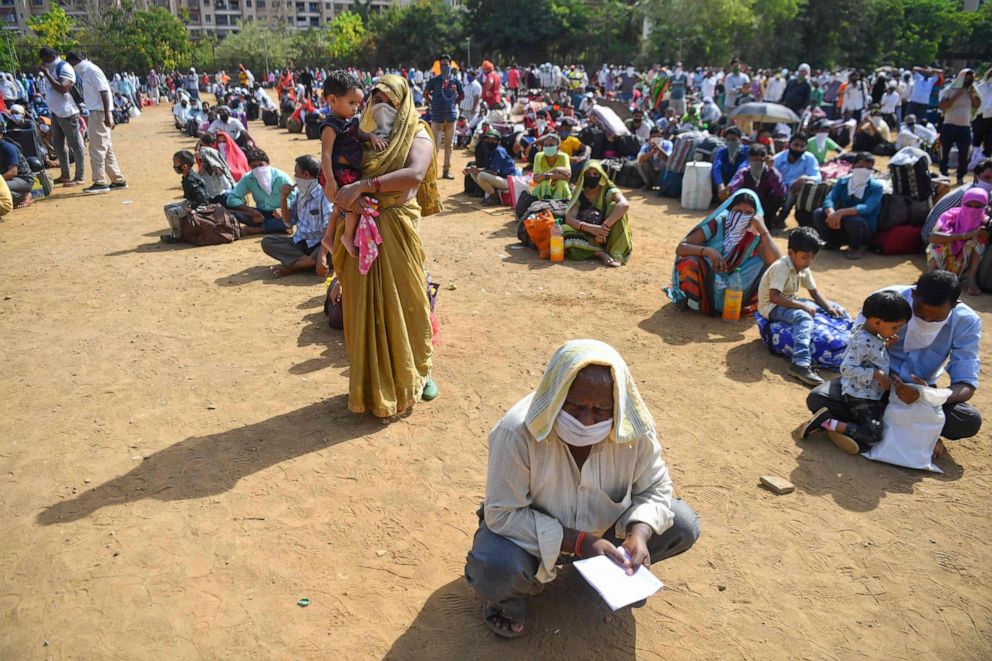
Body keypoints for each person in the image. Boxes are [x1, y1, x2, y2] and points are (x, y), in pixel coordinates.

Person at [464, 339, 700, 638]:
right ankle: (506, 602)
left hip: (605, 532)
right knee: (495, 566)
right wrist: (580, 543)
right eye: (575, 407)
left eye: (601, 409)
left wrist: (638, 534)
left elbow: (656, 487)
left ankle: (613, 569)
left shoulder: (633, 427)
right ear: (556, 396)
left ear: (617, 403)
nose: (587, 421)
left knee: (683, 524)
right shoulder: (517, 433)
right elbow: (503, 514)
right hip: (531, 541)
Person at [323, 75, 440, 417]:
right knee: (364, 311)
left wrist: (365, 185)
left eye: (389, 100)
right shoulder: (359, 136)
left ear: (403, 103)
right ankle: (370, 390)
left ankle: (419, 373)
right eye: (376, 100)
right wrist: (349, 200)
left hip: (398, 229)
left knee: (410, 302)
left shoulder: (418, 132)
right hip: (361, 232)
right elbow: (336, 181)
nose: (381, 106)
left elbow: (415, 174)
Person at [805, 270, 983, 452]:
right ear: (914, 295)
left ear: (955, 305)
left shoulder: (966, 321)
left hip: (919, 396)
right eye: (920, 314)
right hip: (874, 386)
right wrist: (882, 375)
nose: (927, 321)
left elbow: (966, 384)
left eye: (937, 318)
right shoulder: (885, 301)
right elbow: (855, 349)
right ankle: (915, 436)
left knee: (967, 420)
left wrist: (926, 395)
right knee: (819, 398)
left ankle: (863, 429)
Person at [804, 291, 913, 453]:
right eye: (895, 327)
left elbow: (869, 356)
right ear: (877, 322)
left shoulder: (872, 335)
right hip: (860, 395)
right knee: (873, 434)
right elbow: (846, 368)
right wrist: (877, 374)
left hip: (867, 391)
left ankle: (839, 428)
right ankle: (827, 423)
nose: (896, 331)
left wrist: (885, 346)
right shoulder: (863, 340)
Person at [667, 189, 781, 315]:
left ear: (755, 216)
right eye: (737, 211)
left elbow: (776, 262)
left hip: (734, 279)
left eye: (748, 213)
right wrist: (708, 252)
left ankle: (733, 303)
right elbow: (682, 248)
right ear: (729, 210)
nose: (742, 217)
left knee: (763, 265)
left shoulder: (753, 235)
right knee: (690, 262)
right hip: (708, 275)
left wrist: (763, 228)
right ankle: (692, 299)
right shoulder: (718, 223)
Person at [757, 227, 843, 386]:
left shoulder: (803, 267)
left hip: (789, 300)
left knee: (834, 307)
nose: (808, 262)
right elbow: (774, 297)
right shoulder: (781, 267)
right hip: (771, 306)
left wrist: (829, 308)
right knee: (804, 317)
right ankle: (800, 364)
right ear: (791, 252)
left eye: (812, 258)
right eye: (804, 257)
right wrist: (802, 306)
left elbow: (815, 293)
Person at [319, 70, 388, 258]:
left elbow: (358, 134)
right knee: (352, 204)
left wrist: (371, 136)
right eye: (351, 103)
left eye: (358, 103)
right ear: (332, 100)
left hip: (347, 170)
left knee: (338, 207)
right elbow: (325, 155)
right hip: (339, 172)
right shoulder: (330, 126)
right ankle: (347, 236)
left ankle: (328, 237)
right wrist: (331, 180)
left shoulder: (349, 121)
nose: (355, 107)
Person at [262, 155, 332, 278]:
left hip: (320, 244)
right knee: (267, 242)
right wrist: (283, 198)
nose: (294, 177)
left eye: (296, 173)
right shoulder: (301, 192)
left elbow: (329, 226)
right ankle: (308, 262)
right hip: (301, 242)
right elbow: (289, 222)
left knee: (327, 252)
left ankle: (294, 266)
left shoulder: (324, 193)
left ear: (305, 175)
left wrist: (321, 255)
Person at [66, 53, 126, 194]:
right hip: (97, 112)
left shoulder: (91, 70)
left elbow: (104, 92)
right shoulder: (86, 71)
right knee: (106, 149)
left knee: (97, 149)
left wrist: (107, 115)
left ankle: (100, 182)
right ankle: (117, 179)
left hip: (99, 113)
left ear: (74, 61)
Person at [807, 152, 883, 260]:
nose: (864, 170)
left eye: (868, 168)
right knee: (819, 213)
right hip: (842, 224)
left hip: (863, 228)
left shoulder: (876, 187)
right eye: (860, 166)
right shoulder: (843, 182)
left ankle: (856, 247)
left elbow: (867, 208)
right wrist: (831, 213)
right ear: (853, 166)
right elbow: (830, 198)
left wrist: (841, 212)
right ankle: (833, 242)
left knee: (854, 220)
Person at [561, 161, 632, 267]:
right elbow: (569, 218)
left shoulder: (608, 190)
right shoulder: (580, 194)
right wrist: (589, 228)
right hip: (589, 236)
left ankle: (617, 254)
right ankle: (598, 252)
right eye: (588, 174)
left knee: (615, 207)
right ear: (583, 176)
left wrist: (604, 227)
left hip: (609, 233)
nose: (592, 177)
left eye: (595, 174)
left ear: (601, 176)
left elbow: (624, 204)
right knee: (562, 231)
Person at [926, 188, 989, 296]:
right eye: (969, 205)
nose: (973, 210)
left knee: (981, 238)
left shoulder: (985, 219)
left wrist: (982, 231)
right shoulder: (950, 215)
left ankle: (970, 279)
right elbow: (932, 237)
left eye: (978, 207)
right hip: (944, 260)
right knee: (938, 243)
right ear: (963, 204)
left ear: (984, 207)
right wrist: (966, 235)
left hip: (963, 264)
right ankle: (931, 276)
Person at [38, 46, 85, 187]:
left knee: (76, 145)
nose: (44, 63)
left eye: (45, 60)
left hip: (67, 112)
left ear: (52, 56)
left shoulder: (64, 68)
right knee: (58, 145)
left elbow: (63, 88)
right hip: (55, 112)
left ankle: (79, 176)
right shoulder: (51, 68)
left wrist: (47, 74)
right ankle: (65, 175)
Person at [225, 146, 293, 236]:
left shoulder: (281, 178)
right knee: (230, 211)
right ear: (250, 167)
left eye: (261, 165)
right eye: (254, 166)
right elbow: (232, 198)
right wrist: (251, 211)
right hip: (260, 215)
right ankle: (274, 227)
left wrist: (283, 209)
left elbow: (295, 199)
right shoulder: (249, 178)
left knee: (290, 218)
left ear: (268, 163)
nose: (258, 169)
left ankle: (258, 229)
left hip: (280, 214)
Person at [424, 54, 463, 181]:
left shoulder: (456, 81)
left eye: (446, 65)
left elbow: (462, 95)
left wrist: (453, 103)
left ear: (450, 66)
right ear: (439, 67)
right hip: (437, 118)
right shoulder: (434, 81)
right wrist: (432, 103)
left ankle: (446, 170)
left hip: (451, 118)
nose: (444, 67)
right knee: (435, 146)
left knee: (449, 146)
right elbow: (425, 94)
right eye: (442, 65)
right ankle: (432, 172)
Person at [938, 69, 980, 186]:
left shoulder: (973, 91)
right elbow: (942, 106)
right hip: (949, 125)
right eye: (966, 77)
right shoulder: (950, 90)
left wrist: (971, 94)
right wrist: (957, 96)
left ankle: (960, 175)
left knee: (964, 152)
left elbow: (977, 105)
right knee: (944, 151)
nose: (968, 79)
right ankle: (943, 173)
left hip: (964, 127)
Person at [728, 143, 787, 226]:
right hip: (748, 206)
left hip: (766, 207)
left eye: (758, 160)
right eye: (752, 161)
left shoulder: (771, 172)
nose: (755, 163)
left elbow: (781, 192)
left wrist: (771, 170)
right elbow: (734, 187)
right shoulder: (744, 172)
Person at [773, 134, 822, 227]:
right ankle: (779, 217)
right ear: (789, 145)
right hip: (780, 189)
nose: (798, 149)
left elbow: (817, 178)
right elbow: (773, 178)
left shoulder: (809, 158)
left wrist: (804, 179)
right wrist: (792, 183)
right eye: (796, 145)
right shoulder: (778, 159)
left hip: (801, 190)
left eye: (802, 146)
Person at [464, 130, 515, 206]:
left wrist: (477, 170)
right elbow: (488, 169)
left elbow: (493, 172)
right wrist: (473, 169)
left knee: (481, 175)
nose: (489, 141)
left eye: (493, 140)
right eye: (487, 139)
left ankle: (495, 198)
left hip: (508, 181)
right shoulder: (491, 150)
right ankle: (492, 195)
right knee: (473, 173)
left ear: (498, 141)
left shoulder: (498, 150)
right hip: (499, 178)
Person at [0, 121, 36, 207]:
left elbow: (13, 172)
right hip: (9, 179)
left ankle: (24, 195)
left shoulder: (7, 147)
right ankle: (21, 195)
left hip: (24, 179)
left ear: (1, 135)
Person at [712, 126, 748, 201]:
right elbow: (716, 168)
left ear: (740, 140)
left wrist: (731, 186)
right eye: (728, 140)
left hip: (740, 184)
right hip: (724, 186)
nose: (731, 142)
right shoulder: (722, 151)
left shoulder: (747, 151)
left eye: (734, 139)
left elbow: (742, 168)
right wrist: (720, 185)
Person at [531, 134, 571, 201]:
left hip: (560, 187)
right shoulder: (539, 156)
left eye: (551, 145)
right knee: (544, 183)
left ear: (558, 147)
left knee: (561, 183)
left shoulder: (563, 156)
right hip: (542, 187)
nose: (548, 147)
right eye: (546, 145)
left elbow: (567, 176)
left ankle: (561, 203)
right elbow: (536, 179)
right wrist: (555, 172)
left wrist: (547, 174)